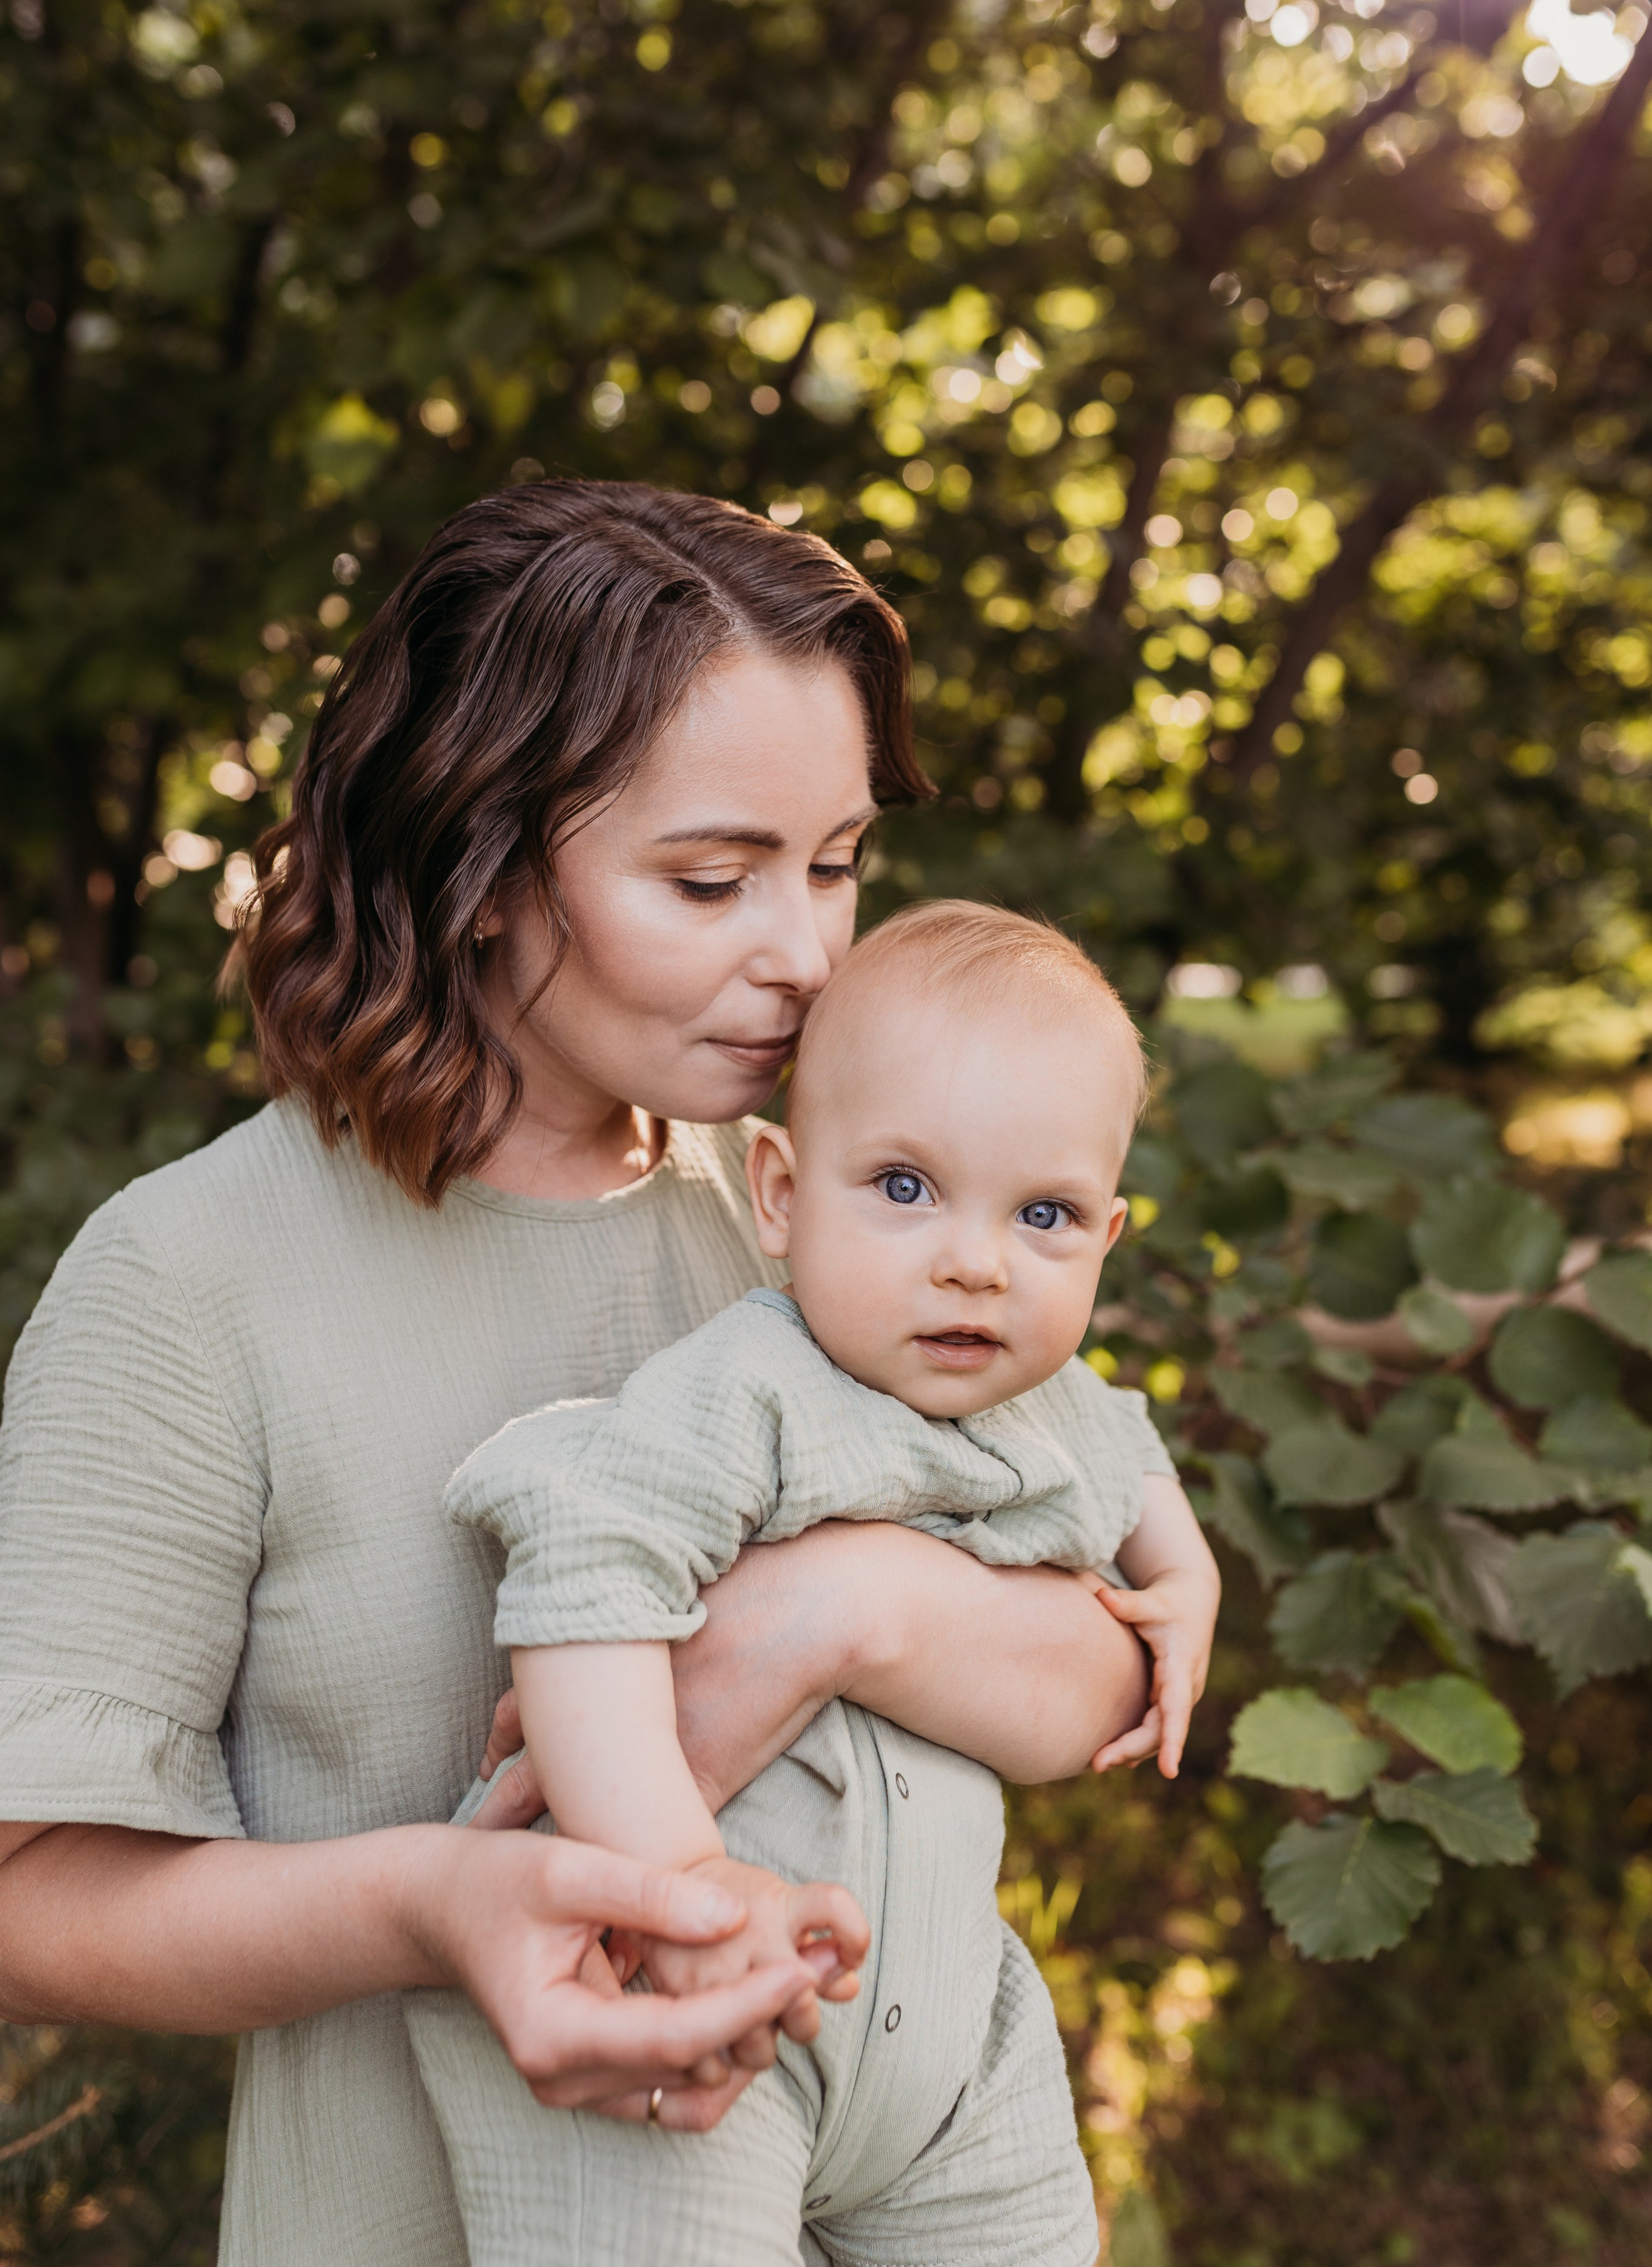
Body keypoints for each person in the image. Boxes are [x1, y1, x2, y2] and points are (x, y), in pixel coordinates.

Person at [0, 483, 1156, 2267]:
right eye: (710, 880)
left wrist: (836, 1607)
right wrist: (437, 1901)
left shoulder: (821, 1217)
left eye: (836, 863)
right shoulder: (191, 1279)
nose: (805, 956)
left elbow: (1091, 1692)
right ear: (473, 855)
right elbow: (27, 1906)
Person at [412, 901, 1220, 2267]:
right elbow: (580, 1575)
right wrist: (684, 1887)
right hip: (691, 2006)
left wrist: (1185, 1583)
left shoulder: (1052, 1405)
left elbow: (1131, 1458)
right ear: (780, 1193)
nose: (974, 1258)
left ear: (1106, 1237)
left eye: (1043, 1214)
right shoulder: (752, 1391)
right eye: (903, 1188)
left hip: (948, 2037)